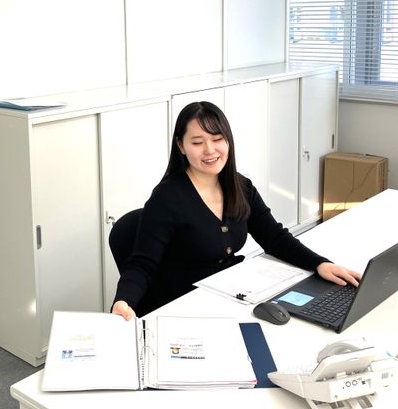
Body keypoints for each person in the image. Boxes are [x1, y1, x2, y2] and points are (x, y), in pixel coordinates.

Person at [111, 101, 361, 321]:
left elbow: (274, 237)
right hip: (188, 304)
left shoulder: (240, 186)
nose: (210, 150)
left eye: (217, 139)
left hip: (234, 295)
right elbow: (142, 264)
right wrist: (124, 300)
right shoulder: (167, 197)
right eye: (197, 142)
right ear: (181, 146)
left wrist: (319, 264)